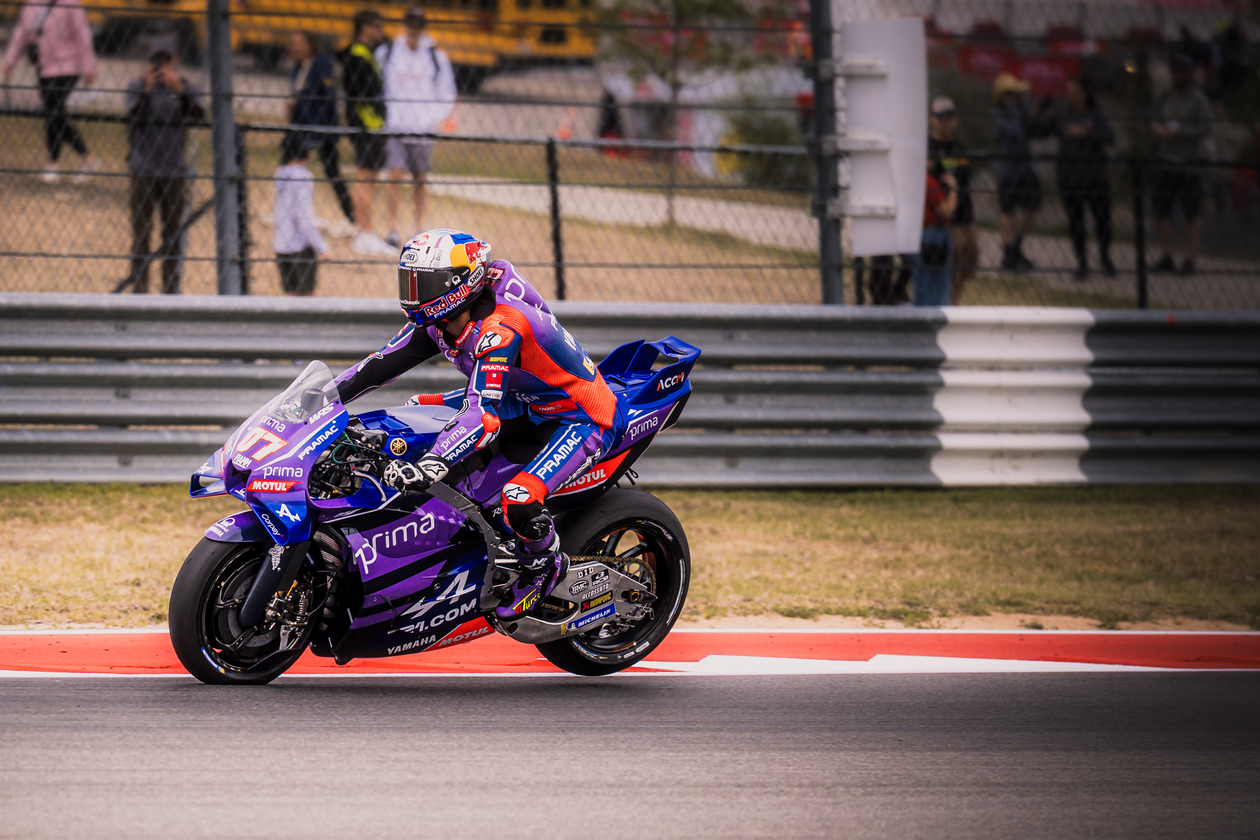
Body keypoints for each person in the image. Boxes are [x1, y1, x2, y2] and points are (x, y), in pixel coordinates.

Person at [334, 229, 626, 619]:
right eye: (409, 281)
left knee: (518, 497)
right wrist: (320, 399)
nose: (413, 294)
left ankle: (545, 568)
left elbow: (481, 416)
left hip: (580, 416)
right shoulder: (441, 320)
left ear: (459, 285)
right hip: (523, 401)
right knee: (416, 414)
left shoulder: (499, 329)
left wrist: (435, 461)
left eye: (424, 284)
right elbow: (377, 366)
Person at [123, 38, 203, 294]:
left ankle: (170, 289)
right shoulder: (137, 86)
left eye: (165, 59)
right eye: (155, 59)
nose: (160, 65)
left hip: (173, 170)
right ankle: (140, 289)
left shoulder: (184, 87)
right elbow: (133, 117)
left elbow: (200, 115)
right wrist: (146, 90)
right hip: (144, 168)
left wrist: (180, 90)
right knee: (141, 233)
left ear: (175, 59)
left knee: (172, 234)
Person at [377, 7, 457, 247]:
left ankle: (419, 228)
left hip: (423, 129)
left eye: (418, 25)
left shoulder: (436, 57)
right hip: (396, 126)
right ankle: (392, 227)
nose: (414, 29)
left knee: (420, 179)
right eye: (411, 24)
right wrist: (387, 114)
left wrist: (432, 118)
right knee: (394, 175)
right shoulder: (388, 53)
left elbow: (447, 92)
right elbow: (378, 85)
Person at [2, 0, 100, 183]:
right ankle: (87, 158)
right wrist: (10, 60)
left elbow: (83, 36)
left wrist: (89, 68)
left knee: (53, 112)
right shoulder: (32, 4)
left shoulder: (70, 3)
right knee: (54, 113)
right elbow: (21, 33)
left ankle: (53, 163)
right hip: (44, 66)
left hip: (68, 66)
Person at [337, 9, 396, 257]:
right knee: (365, 178)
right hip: (367, 125)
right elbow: (360, 93)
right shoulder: (358, 55)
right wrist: (374, 113)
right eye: (376, 26)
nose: (381, 31)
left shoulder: (365, 54)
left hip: (371, 124)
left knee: (367, 177)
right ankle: (365, 231)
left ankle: (364, 229)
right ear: (364, 28)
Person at [286, 30, 356, 238]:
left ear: (311, 45)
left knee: (332, 171)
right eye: (293, 43)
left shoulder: (321, 64)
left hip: (321, 126)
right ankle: (289, 212)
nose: (295, 48)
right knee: (289, 167)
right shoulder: (298, 67)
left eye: (299, 43)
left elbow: (328, 98)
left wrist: (325, 130)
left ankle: (352, 217)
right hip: (300, 125)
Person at [1150, 53, 1214, 276]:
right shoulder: (1167, 97)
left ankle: (1189, 258)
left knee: (1192, 212)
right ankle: (1166, 255)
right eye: (1174, 71)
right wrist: (1159, 129)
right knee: (1161, 209)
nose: (1175, 75)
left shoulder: (1198, 99)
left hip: (1189, 163)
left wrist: (1182, 131)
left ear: (1189, 74)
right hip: (1166, 161)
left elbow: (1206, 127)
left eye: (1180, 71)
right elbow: (1156, 119)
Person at [1048, 78, 1116, 280]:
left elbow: (1110, 137)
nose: (1071, 95)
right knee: (1076, 223)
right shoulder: (1062, 116)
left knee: (1102, 221)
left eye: (1075, 91)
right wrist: (1042, 109)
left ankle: (1105, 258)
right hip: (1070, 178)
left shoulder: (1095, 115)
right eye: (1069, 91)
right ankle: (1082, 262)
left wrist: (1084, 133)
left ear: (1084, 94)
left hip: (1095, 177)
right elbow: (1040, 129)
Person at [991, 72, 1051, 271]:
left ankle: (1016, 247)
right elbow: (1016, 131)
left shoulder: (1019, 109)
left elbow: (1033, 131)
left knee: (1033, 206)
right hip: (1007, 170)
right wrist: (1017, 108)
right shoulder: (998, 113)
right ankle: (1008, 253)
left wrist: (1039, 112)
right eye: (1010, 93)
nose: (1015, 97)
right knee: (1007, 211)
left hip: (1024, 168)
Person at [927, 96, 976, 304]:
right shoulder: (929, 147)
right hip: (946, 213)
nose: (946, 120)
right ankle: (947, 302)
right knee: (955, 256)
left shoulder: (957, 146)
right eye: (941, 116)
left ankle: (954, 300)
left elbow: (965, 173)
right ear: (932, 119)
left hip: (966, 209)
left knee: (971, 255)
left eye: (950, 115)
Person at [273, 133, 332, 297]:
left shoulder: (280, 173)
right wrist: (322, 247)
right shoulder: (304, 177)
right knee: (307, 295)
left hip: (281, 244)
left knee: (290, 294)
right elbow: (303, 217)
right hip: (300, 246)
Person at [910, 162, 957, 306]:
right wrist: (953, 188)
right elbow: (947, 211)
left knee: (922, 285)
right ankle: (933, 316)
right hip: (934, 235)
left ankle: (920, 314)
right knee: (936, 289)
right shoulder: (928, 181)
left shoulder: (912, 178)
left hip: (917, 234)